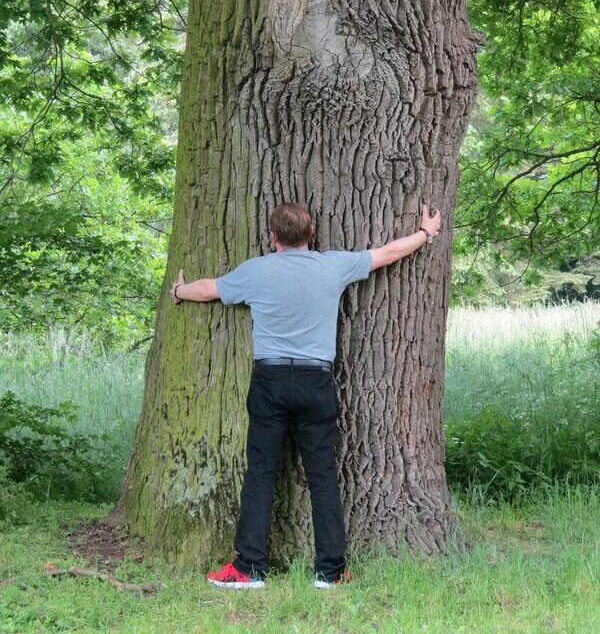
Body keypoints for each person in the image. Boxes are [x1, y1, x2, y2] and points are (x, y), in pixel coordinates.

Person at [171, 201, 441, 589]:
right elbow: (387, 254)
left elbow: (209, 290)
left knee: (261, 473)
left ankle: (248, 569)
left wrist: (179, 290)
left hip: (270, 381)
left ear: (272, 237)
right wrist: (426, 233)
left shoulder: (256, 270)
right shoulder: (331, 265)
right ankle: (330, 573)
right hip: (316, 381)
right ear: (311, 233)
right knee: (322, 476)